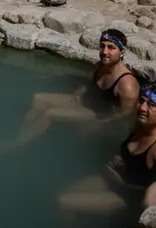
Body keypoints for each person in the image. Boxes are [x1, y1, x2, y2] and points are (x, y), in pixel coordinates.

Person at [5, 29, 140, 148]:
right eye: (102, 46)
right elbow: (90, 84)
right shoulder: (100, 66)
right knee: (38, 98)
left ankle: (18, 144)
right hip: (85, 100)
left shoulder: (126, 84)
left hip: (98, 113)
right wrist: (78, 94)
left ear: (121, 52)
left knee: (49, 113)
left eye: (111, 48)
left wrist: (99, 124)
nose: (105, 52)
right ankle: (21, 133)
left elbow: (124, 113)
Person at [57, 81, 156, 215]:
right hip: (110, 179)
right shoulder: (139, 125)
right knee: (62, 193)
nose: (142, 108)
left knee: (63, 201)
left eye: (151, 104)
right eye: (142, 101)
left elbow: (150, 194)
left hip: (126, 197)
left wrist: (124, 184)